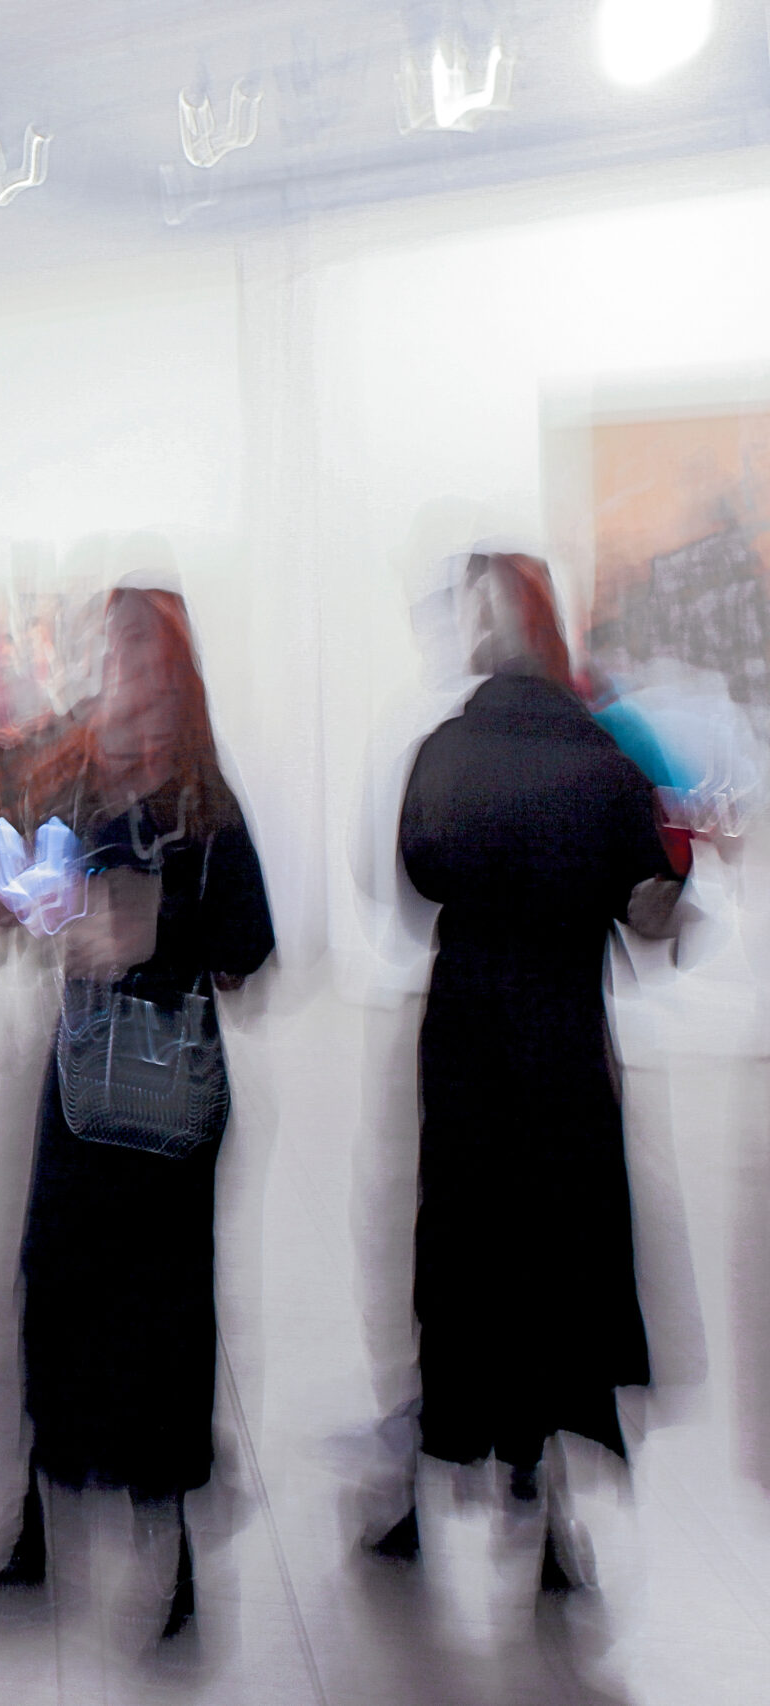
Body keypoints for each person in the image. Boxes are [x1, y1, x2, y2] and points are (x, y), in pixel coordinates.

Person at [380, 551, 684, 1592]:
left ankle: (452, 1470)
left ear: (489, 627)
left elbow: (414, 871)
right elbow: (647, 905)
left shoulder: (446, 752)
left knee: (465, 1248)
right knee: (562, 1253)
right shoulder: (601, 758)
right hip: (559, 1040)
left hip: (467, 1037)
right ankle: (546, 1497)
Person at [0, 586, 273, 1642]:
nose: (126, 677)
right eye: (113, 656)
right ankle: (36, 1521)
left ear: (176, 672)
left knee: (162, 1315)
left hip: (170, 1098)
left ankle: (173, 1555)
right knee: (51, 1288)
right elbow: (28, 897)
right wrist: (41, 905)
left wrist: (157, 935)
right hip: (81, 1084)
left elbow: (250, 954)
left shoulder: (208, 804)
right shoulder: (74, 781)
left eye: (143, 657)